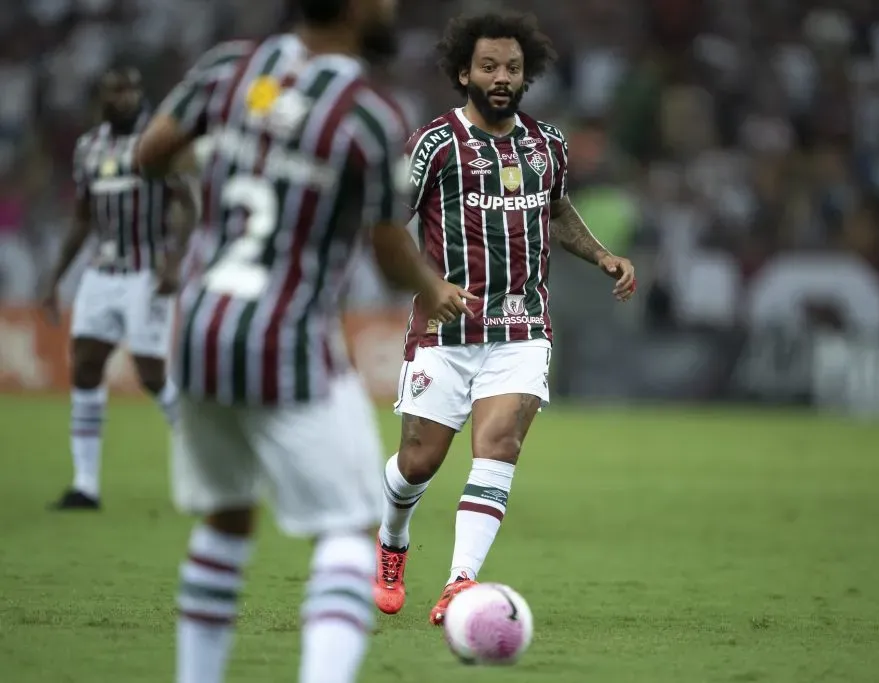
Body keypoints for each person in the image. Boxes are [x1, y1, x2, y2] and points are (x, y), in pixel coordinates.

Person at [134, 0, 472, 681]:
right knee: (348, 534)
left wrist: (237, 170)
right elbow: (385, 250)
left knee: (225, 521)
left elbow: (150, 155)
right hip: (284, 338)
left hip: (199, 329)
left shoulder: (229, 68)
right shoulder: (370, 115)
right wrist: (434, 288)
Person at [373, 11, 637, 625]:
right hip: (445, 330)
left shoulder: (547, 146)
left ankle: (460, 582)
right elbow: (389, 226)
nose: (501, 77)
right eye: (489, 66)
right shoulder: (434, 145)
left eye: (512, 69)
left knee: (499, 444)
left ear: (528, 77)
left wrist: (600, 254)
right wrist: (427, 284)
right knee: (419, 462)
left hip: (521, 329)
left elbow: (558, 208)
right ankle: (392, 541)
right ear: (463, 72)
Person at [42, 65, 196, 511]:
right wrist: (55, 278)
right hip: (101, 272)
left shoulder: (157, 142)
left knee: (151, 374)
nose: (124, 98)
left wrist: (173, 261)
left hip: (147, 272)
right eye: (116, 91)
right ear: (103, 97)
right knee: (86, 366)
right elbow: (82, 216)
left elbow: (189, 204)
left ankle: (203, 465)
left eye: (131, 89)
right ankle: (85, 484)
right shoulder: (88, 148)